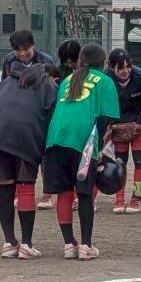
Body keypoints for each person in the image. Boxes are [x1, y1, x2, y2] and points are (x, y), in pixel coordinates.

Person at [43, 44, 120, 260]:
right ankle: (86, 245)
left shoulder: (68, 79)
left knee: (64, 192)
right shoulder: (105, 80)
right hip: (82, 139)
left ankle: (69, 244)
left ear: (80, 60)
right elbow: (106, 118)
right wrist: (97, 148)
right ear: (103, 63)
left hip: (56, 137)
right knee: (84, 193)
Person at [0, 61, 57, 259]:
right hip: (26, 137)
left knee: (5, 187)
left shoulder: (3, 84)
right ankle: (27, 245)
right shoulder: (47, 84)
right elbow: (52, 117)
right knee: (26, 187)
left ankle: (9, 243)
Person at [105, 48, 141, 214]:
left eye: (128, 66)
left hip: (140, 125)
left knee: (139, 160)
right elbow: (103, 104)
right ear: (111, 67)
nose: (126, 71)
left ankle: (137, 198)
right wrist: (113, 124)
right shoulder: (106, 80)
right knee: (120, 161)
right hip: (118, 126)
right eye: (120, 67)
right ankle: (119, 198)